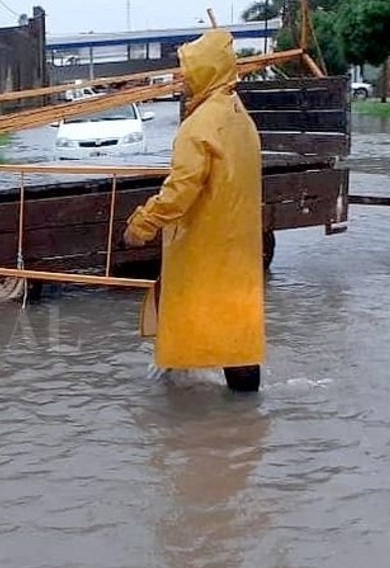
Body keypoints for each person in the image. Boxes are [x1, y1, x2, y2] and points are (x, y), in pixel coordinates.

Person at [122, 28, 265, 393]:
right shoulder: (240, 117)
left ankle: (181, 425)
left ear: (207, 70)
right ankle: (245, 422)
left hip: (204, 245)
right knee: (238, 332)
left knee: (187, 320)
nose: (182, 79)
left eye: (188, 70)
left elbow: (180, 189)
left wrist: (142, 224)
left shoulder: (199, 127)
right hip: (239, 248)